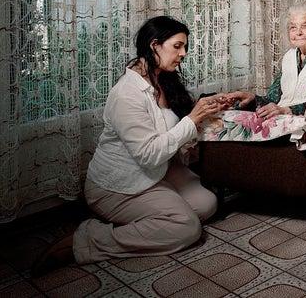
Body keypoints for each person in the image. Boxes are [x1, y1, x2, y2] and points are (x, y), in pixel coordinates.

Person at [32, 16, 240, 277]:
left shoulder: (163, 79)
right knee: (187, 228)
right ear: (155, 45)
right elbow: (150, 154)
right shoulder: (126, 94)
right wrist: (192, 119)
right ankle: (85, 240)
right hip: (119, 186)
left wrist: (211, 112)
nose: (183, 54)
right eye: (177, 46)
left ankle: (155, 217)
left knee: (206, 204)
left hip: (157, 173)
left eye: (184, 47)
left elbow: (178, 131)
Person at [227, 1, 306, 116]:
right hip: (282, 121)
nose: (298, 32)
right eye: (293, 27)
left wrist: (288, 110)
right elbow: (273, 99)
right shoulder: (290, 57)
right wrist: (252, 99)